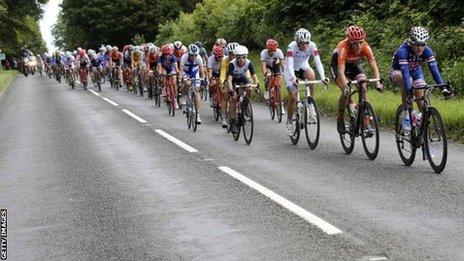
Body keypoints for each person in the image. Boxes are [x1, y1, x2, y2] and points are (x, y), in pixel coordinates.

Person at [390, 26, 451, 132]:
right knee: (407, 81)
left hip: (415, 72)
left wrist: (443, 88)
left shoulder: (427, 51)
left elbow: (434, 71)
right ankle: (406, 115)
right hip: (398, 72)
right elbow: (405, 73)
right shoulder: (403, 51)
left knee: (421, 96)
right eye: (417, 45)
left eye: (423, 45)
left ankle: (420, 122)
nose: (420, 48)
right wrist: (409, 90)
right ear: (411, 43)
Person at [331, 25, 383, 134]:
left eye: (360, 42)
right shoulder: (343, 47)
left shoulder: (365, 47)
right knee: (347, 92)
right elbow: (341, 71)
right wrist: (346, 86)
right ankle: (340, 117)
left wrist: (378, 81)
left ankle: (365, 118)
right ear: (349, 41)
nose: (358, 46)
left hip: (354, 65)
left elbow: (373, 65)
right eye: (354, 43)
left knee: (363, 86)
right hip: (338, 65)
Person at [284, 28, 328, 136]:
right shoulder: (291, 47)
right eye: (301, 43)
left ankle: (310, 105)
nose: (304, 46)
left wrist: (323, 77)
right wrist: (294, 78)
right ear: (297, 42)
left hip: (303, 66)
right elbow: (289, 65)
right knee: (294, 97)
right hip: (290, 70)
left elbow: (318, 62)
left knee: (312, 77)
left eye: (306, 43)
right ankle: (289, 121)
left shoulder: (313, 46)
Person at [227, 45, 260, 134]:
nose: (241, 60)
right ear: (235, 57)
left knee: (249, 88)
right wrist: (231, 90)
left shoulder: (249, 63)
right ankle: (233, 122)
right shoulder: (232, 64)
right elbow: (229, 79)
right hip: (233, 80)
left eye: (243, 57)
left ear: (246, 56)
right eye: (238, 57)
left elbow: (254, 76)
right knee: (234, 98)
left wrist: (257, 84)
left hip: (242, 77)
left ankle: (245, 105)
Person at [179, 44, 205, 123]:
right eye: (191, 55)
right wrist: (180, 78)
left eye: (195, 55)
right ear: (188, 54)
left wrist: (203, 79)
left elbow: (202, 70)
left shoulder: (199, 58)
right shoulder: (184, 57)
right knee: (187, 83)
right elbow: (181, 70)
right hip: (185, 72)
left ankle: (197, 115)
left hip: (194, 72)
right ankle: (183, 96)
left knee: (197, 93)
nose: (193, 57)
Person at [157, 44, 180, 109]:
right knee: (164, 76)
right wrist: (160, 73)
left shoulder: (173, 57)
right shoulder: (160, 58)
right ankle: (164, 88)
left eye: (167, 54)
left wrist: (177, 72)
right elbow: (159, 67)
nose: (166, 56)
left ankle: (175, 99)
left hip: (171, 69)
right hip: (164, 69)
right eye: (164, 54)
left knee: (174, 83)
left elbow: (176, 67)